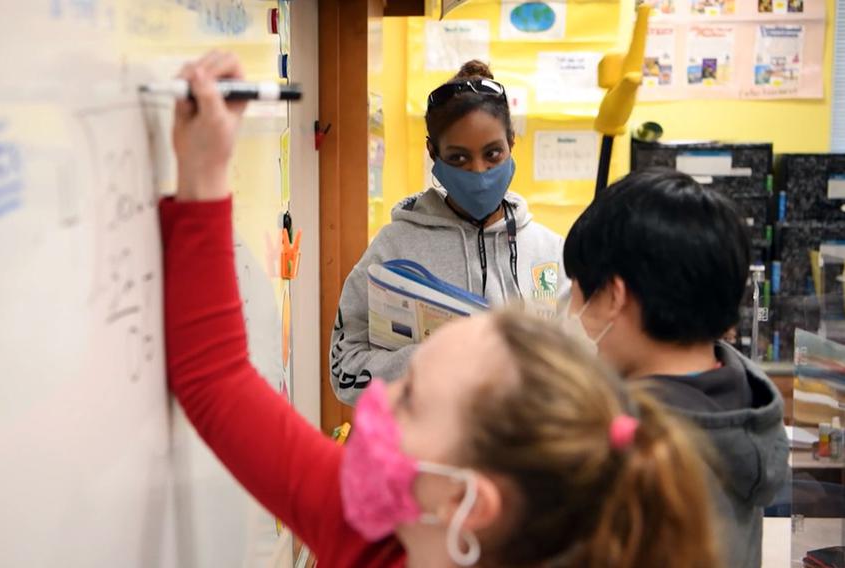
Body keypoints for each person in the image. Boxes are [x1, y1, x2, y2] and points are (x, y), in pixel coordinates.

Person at [162, 52, 720, 568]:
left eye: (409, 399)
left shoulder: (371, 538)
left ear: (466, 497)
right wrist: (203, 176)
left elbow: (215, 379)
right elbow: (217, 379)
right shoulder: (367, 520)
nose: (374, 416)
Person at [562, 168, 789, 568]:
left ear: (614, 296)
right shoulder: (743, 404)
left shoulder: (622, 447)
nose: (574, 312)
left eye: (578, 291)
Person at [330, 60, 569, 405]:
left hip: (526, 453)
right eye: (458, 158)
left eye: (493, 154)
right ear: (433, 153)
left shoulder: (550, 251)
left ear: (511, 143)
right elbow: (344, 371)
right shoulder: (393, 249)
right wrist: (430, 362)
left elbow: (584, 366)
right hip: (427, 456)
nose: (479, 172)